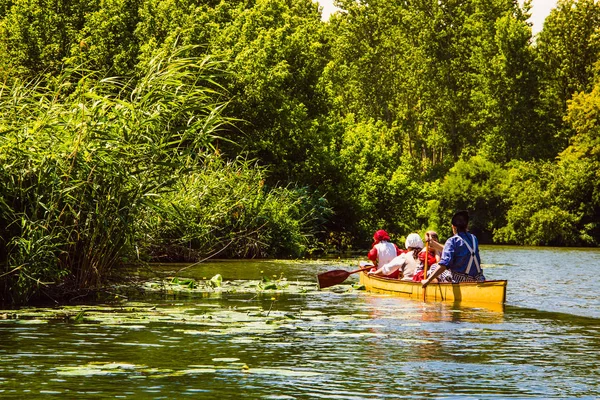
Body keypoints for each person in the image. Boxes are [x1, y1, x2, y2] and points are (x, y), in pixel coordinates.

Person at [422, 210, 485, 288]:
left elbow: (444, 265)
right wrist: (432, 243)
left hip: (461, 280)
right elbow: (456, 250)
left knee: (434, 267)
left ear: (453, 227)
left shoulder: (452, 240)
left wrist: (427, 280)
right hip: (478, 279)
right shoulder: (474, 238)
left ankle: (436, 289)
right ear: (467, 226)